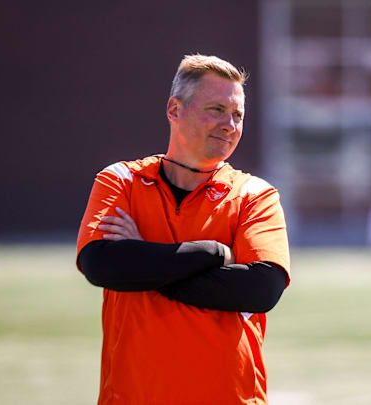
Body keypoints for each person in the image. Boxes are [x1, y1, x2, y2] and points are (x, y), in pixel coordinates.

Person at [76, 54, 290, 404]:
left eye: (237, 115)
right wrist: (214, 254)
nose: (229, 124)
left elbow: (260, 289)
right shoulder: (122, 180)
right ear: (174, 110)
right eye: (217, 109)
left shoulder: (254, 194)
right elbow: (102, 264)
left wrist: (143, 260)